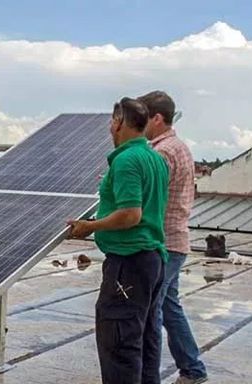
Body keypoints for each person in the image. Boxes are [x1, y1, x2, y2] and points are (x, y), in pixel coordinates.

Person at [68, 97, 169, 384]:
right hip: (152, 261)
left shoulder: (126, 160)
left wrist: (91, 226)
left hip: (129, 262)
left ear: (120, 123)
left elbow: (130, 214)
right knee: (144, 341)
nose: (109, 128)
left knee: (119, 342)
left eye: (112, 122)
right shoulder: (156, 159)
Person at [138, 91, 208, 384]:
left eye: (143, 118)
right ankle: (192, 368)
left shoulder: (162, 152)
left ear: (157, 118)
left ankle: (148, 376)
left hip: (163, 243)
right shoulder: (178, 146)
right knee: (169, 306)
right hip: (176, 240)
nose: (138, 124)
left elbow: (149, 196)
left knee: (151, 312)